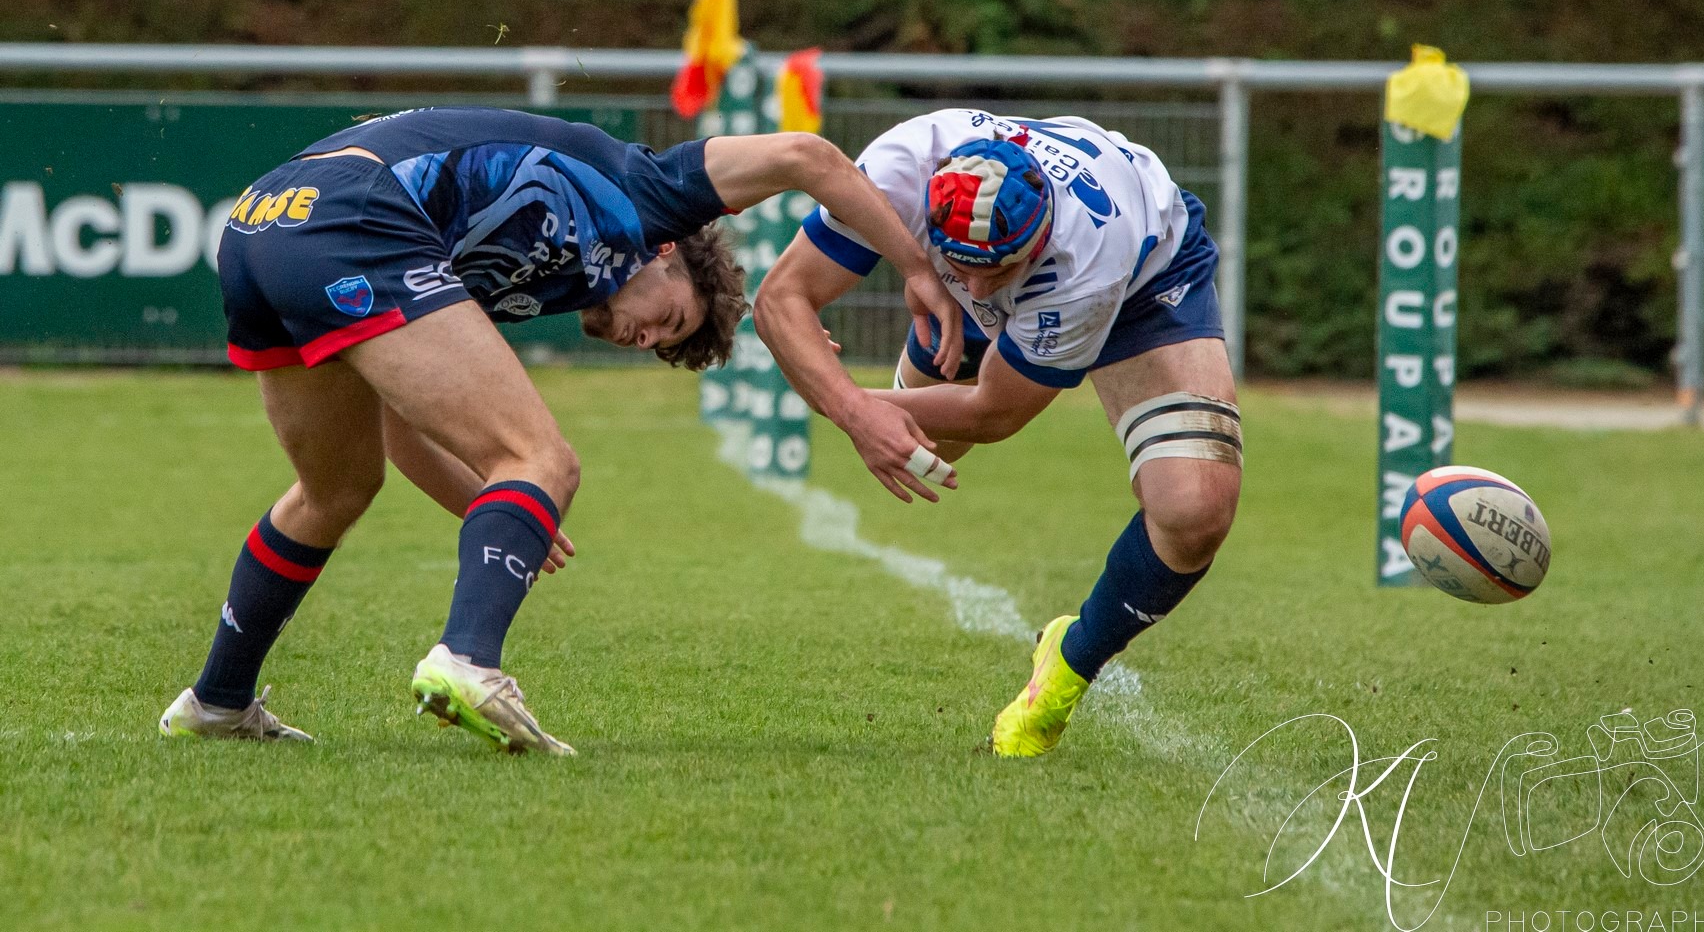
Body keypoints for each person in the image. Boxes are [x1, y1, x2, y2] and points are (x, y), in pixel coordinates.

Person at [159, 106, 962, 754]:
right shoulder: (650, 193)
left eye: (657, 348)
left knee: (336, 488)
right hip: (347, 213)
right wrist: (916, 268)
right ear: (670, 253)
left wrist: (503, 510)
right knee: (545, 458)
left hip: (264, 221)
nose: (644, 338)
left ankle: (218, 701)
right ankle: (468, 661)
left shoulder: (529, 283)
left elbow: (403, 426)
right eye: (669, 319)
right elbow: (809, 157)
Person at [754, 108, 1242, 757]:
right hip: (998, 274)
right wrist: (913, 284)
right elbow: (779, 297)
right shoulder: (902, 165)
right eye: (963, 266)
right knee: (930, 444)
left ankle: (1068, 664)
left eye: (996, 272)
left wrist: (847, 403)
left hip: (1144, 283)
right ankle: (938, 333)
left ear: (1036, 240)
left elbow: (994, 412)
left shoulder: (1084, 258)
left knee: (1195, 509)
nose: (979, 287)